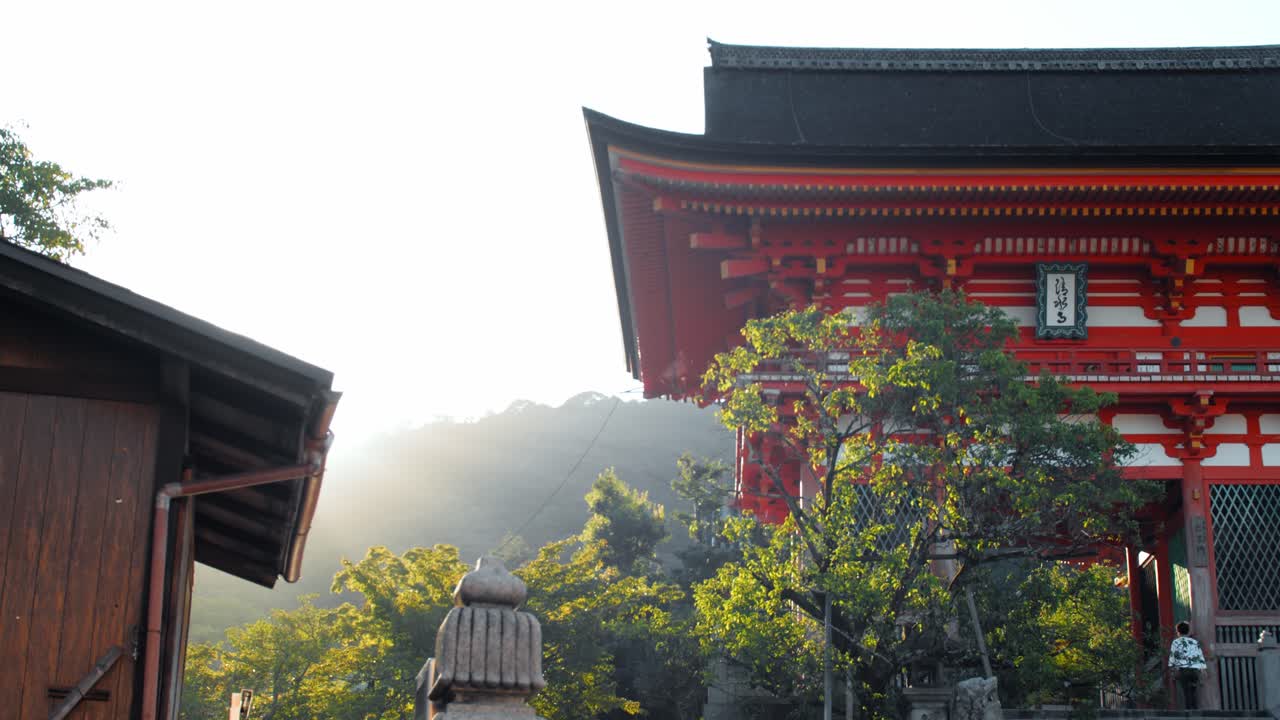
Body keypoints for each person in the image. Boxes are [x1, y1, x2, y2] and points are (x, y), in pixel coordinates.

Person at [1169, 621, 1207, 709]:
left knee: (1186, 692)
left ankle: (1189, 712)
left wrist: (1174, 671)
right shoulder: (1194, 642)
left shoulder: (1176, 642)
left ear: (1178, 632)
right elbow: (1199, 657)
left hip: (1183, 672)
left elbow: (1174, 658)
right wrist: (1203, 670)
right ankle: (1195, 710)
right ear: (1188, 631)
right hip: (1194, 671)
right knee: (1193, 692)